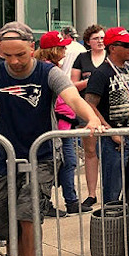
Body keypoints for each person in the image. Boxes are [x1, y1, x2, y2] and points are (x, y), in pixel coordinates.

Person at [0, 21, 102, 256]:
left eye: (21, 55)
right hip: (8, 156)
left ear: (32, 47)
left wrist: (90, 118)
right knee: (5, 218)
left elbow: (73, 98)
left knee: (29, 213)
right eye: (8, 56)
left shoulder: (48, 72)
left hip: (43, 155)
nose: (14, 61)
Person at [34, 31, 90, 216]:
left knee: (67, 164)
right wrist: (74, 115)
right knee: (55, 165)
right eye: (62, 47)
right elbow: (60, 101)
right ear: (53, 50)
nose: (66, 50)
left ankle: (69, 201)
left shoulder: (47, 68)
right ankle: (50, 203)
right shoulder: (49, 70)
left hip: (61, 126)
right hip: (56, 126)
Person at [85, 27, 129, 205]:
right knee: (113, 193)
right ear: (113, 48)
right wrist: (109, 130)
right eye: (126, 44)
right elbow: (89, 104)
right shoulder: (101, 73)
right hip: (112, 141)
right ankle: (112, 229)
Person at [71, 24, 106, 207]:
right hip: (87, 109)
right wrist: (89, 82)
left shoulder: (111, 55)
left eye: (102, 37)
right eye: (96, 38)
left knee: (113, 153)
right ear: (88, 42)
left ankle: (115, 192)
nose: (100, 41)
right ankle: (92, 193)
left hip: (109, 111)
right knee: (90, 152)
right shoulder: (82, 58)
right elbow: (72, 85)